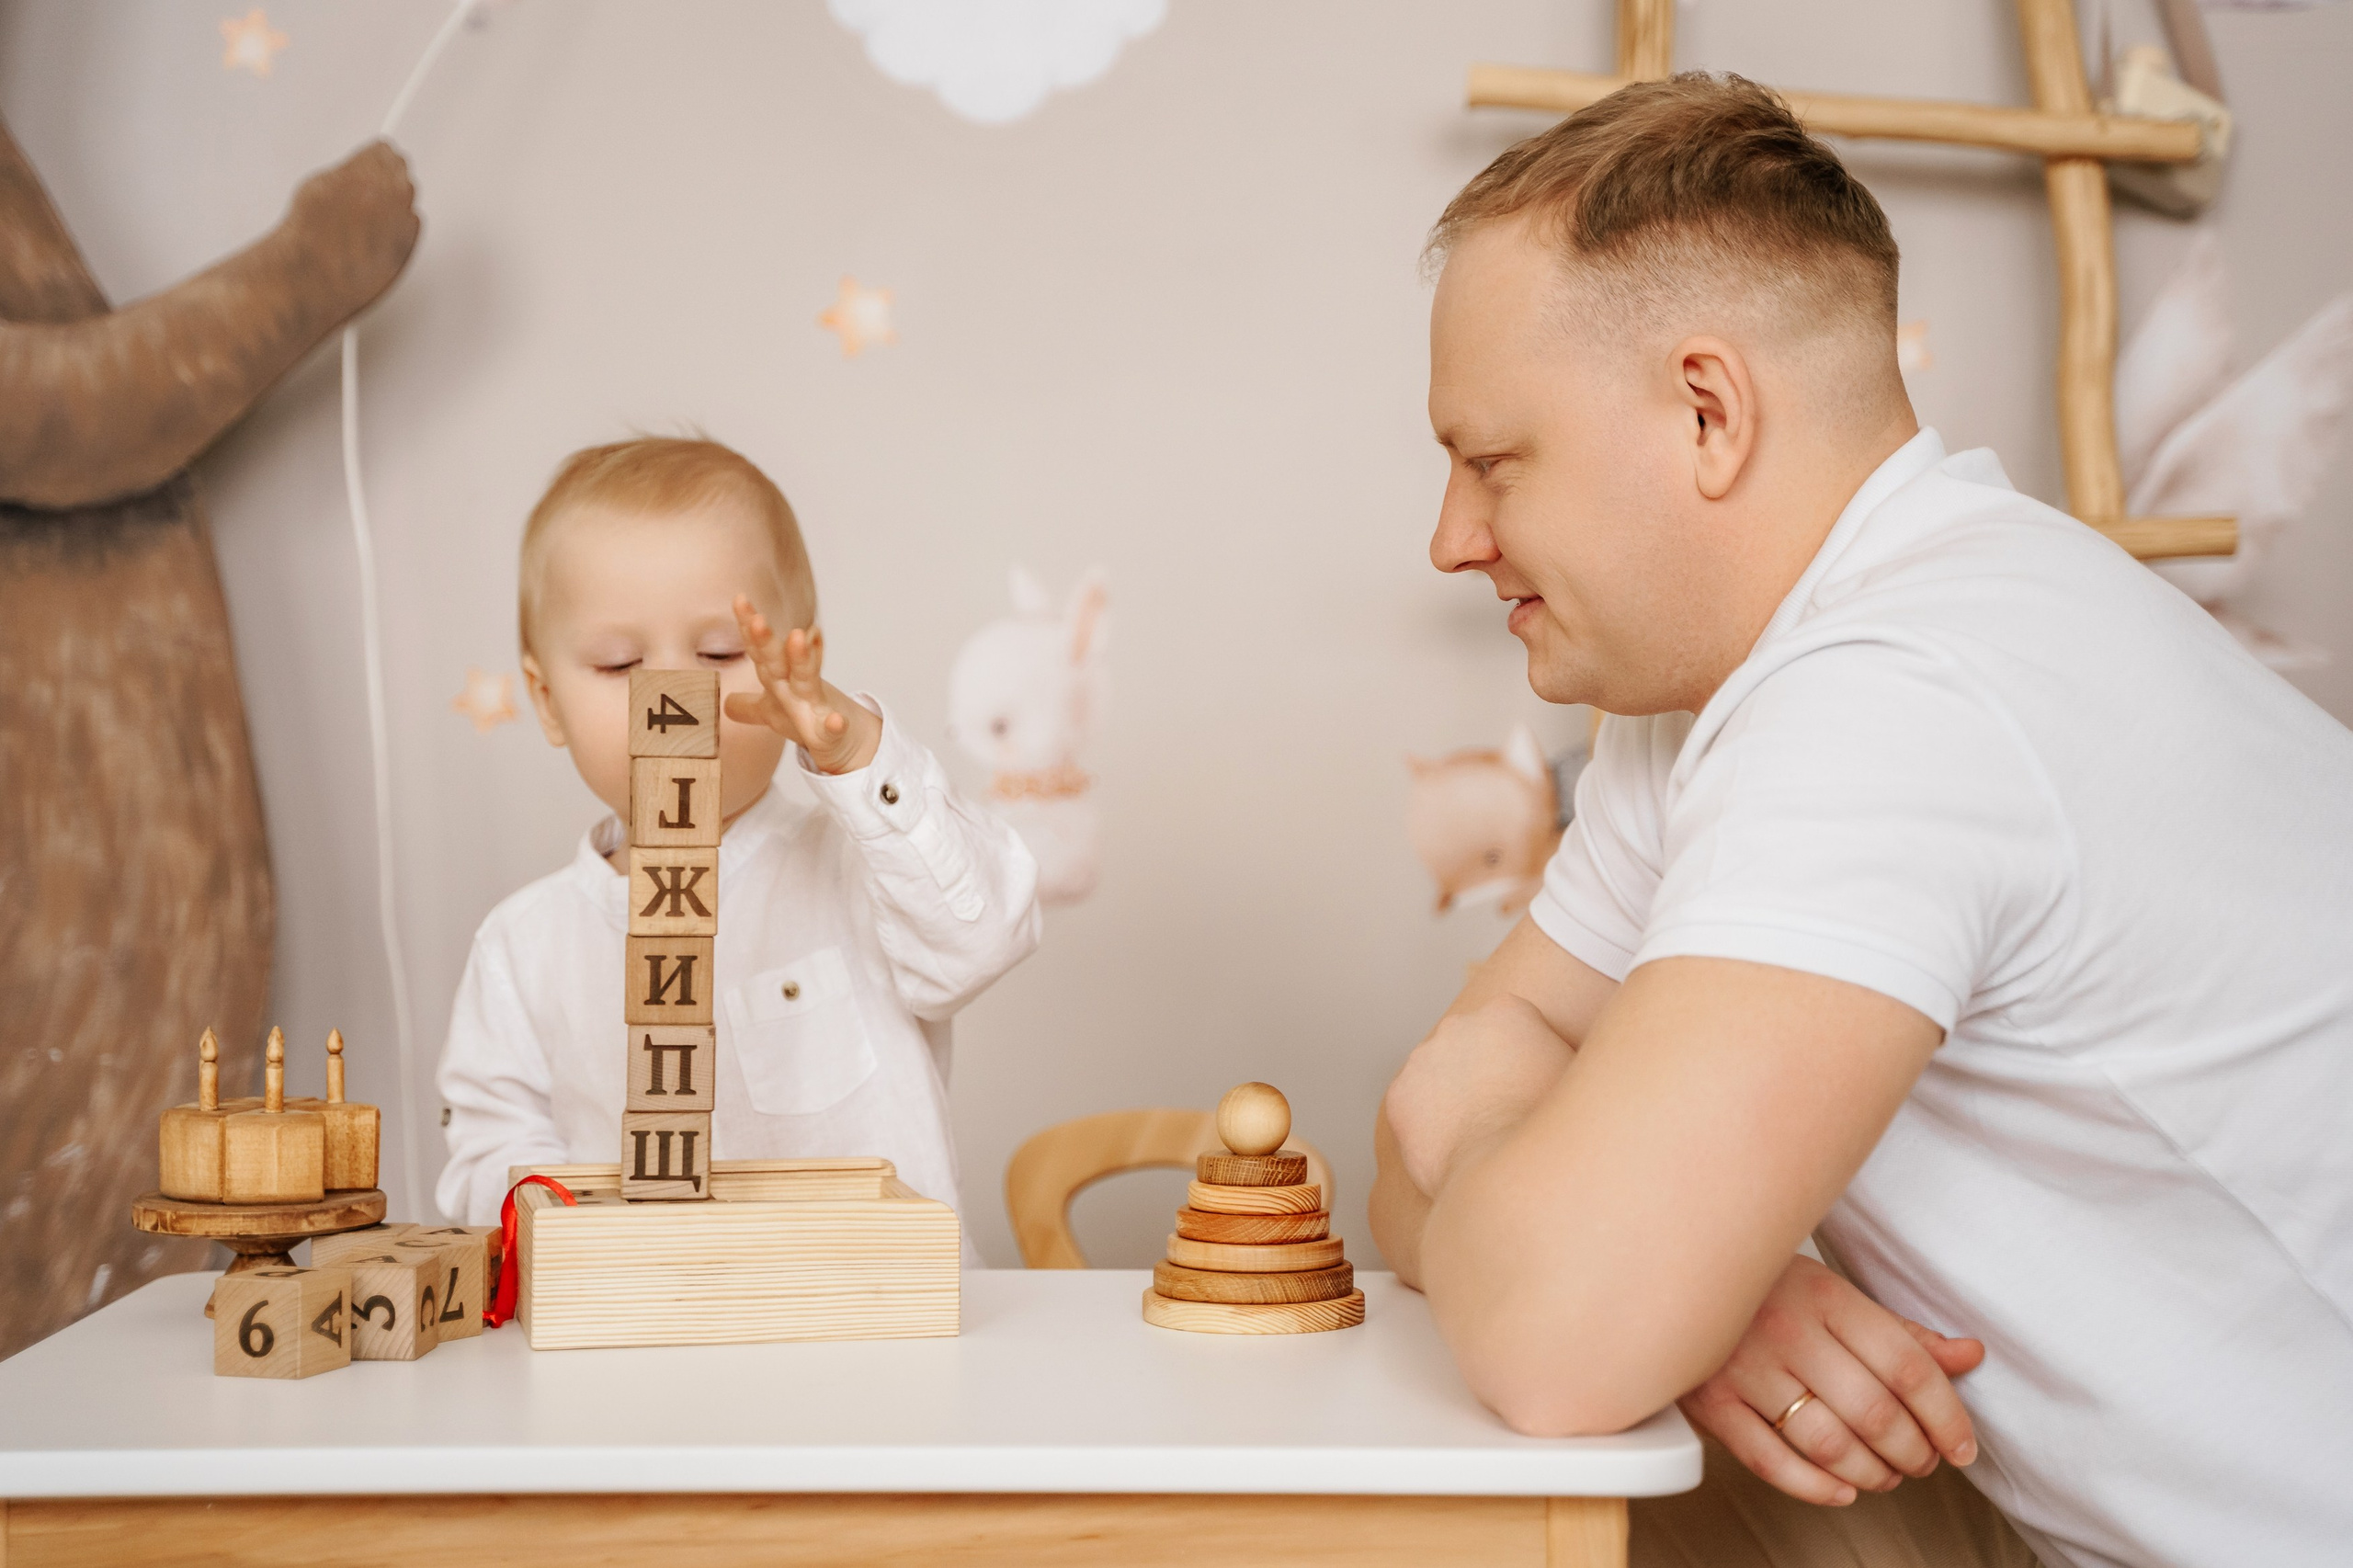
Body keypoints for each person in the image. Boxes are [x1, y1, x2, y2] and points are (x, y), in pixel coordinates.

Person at [1371, 74, 2353, 1568]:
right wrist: (1702, 1295)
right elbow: (1411, 1154)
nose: (1451, 537)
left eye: (1493, 460)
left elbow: (1551, 1326)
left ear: (1709, 410)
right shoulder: (1717, 691)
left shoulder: (1903, 693)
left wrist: (1637, 1269)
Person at [436, 437, 1040, 1228]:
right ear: (547, 701)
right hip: (643, 1330)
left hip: (875, 1325)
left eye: (721, 653)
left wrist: (860, 752)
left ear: (802, 664)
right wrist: (579, 1224)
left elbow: (985, 934)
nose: (673, 696)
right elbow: (485, 1159)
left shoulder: (865, 871)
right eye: (621, 664)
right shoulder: (521, 946)